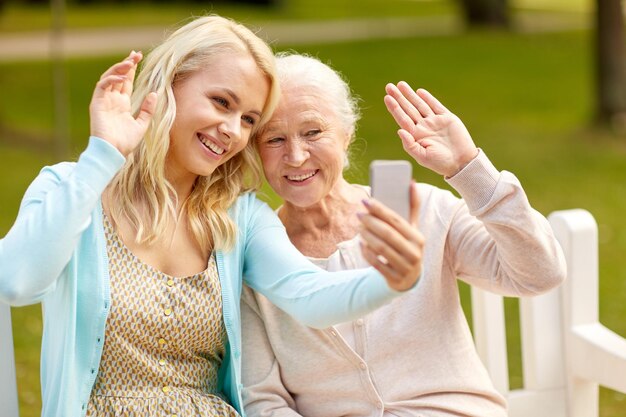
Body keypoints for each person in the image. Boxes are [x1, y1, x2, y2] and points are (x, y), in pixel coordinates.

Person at [0, 17, 416, 417]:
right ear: (170, 84)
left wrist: (389, 279)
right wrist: (103, 156)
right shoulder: (73, 188)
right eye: (222, 102)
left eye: (249, 120)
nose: (233, 130)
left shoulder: (240, 217)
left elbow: (310, 297)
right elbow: (16, 282)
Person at [241, 53, 567, 416]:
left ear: (346, 134)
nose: (297, 156)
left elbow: (540, 274)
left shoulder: (425, 210)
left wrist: (468, 168)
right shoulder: (254, 258)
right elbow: (263, 401)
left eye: (313, 132)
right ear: (253, 150)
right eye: (274, 139)